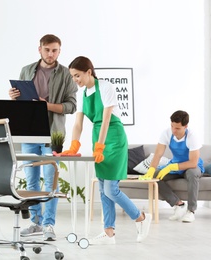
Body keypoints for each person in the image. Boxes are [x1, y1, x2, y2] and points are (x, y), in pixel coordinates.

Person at [62, 56, 151, 245]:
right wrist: (74, 145)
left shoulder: (105, 87)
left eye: (77, 76)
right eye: (72, 77)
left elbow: (107, 119)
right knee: (103, 187)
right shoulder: (81, 93)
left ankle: (141, 217)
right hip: (98, 133)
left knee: (111, 188)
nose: (75, 80)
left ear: (88, 72)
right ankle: (109, 232)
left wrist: (100, 146)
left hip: (114, 136)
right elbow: (78, 123)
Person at [8, 34, 77, 241]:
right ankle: (36, 223)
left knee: (51, 180)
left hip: (52, 133)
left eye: (54, 50)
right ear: (40, 49)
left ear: (59, 51)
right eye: (47, 50)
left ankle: (48, 225)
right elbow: (22, 103)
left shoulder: (66, 74)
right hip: (29, 131)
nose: (50, 54)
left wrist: (44, 105)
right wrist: (14, 98)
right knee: (31, 179)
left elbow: (71, 106)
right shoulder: (27, 70)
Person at [140, 110, 204, 223]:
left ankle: (191, 211)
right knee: (155, 175)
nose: (174, 130)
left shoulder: (192, 136)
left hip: (190, 166)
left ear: (185, 126)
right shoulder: (167, 133)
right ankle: (178, 204)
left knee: (193, 173)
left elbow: (193, 163)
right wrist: (151, 170)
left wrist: (171, 167)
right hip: (175, 165)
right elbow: (158, 154)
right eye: (172, 126)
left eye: (178, 128)